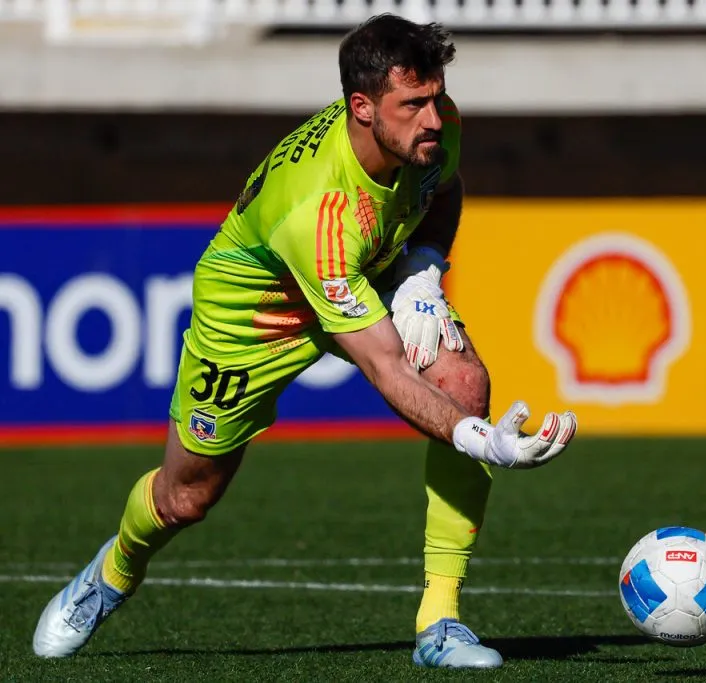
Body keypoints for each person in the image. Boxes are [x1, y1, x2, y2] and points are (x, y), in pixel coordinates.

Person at [32, 14, 577, 670]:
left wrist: (425, 266)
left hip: (356, 275)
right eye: (414, 105)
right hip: (254, 316)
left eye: (436, 96)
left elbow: (443, 188)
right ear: (362, 107)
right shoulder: (318, 211)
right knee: (186, 497)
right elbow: (386, 366)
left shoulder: (438, 127)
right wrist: (478, 439)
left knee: (463, 383)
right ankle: (112, 572)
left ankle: (441, 619)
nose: (433, 118)